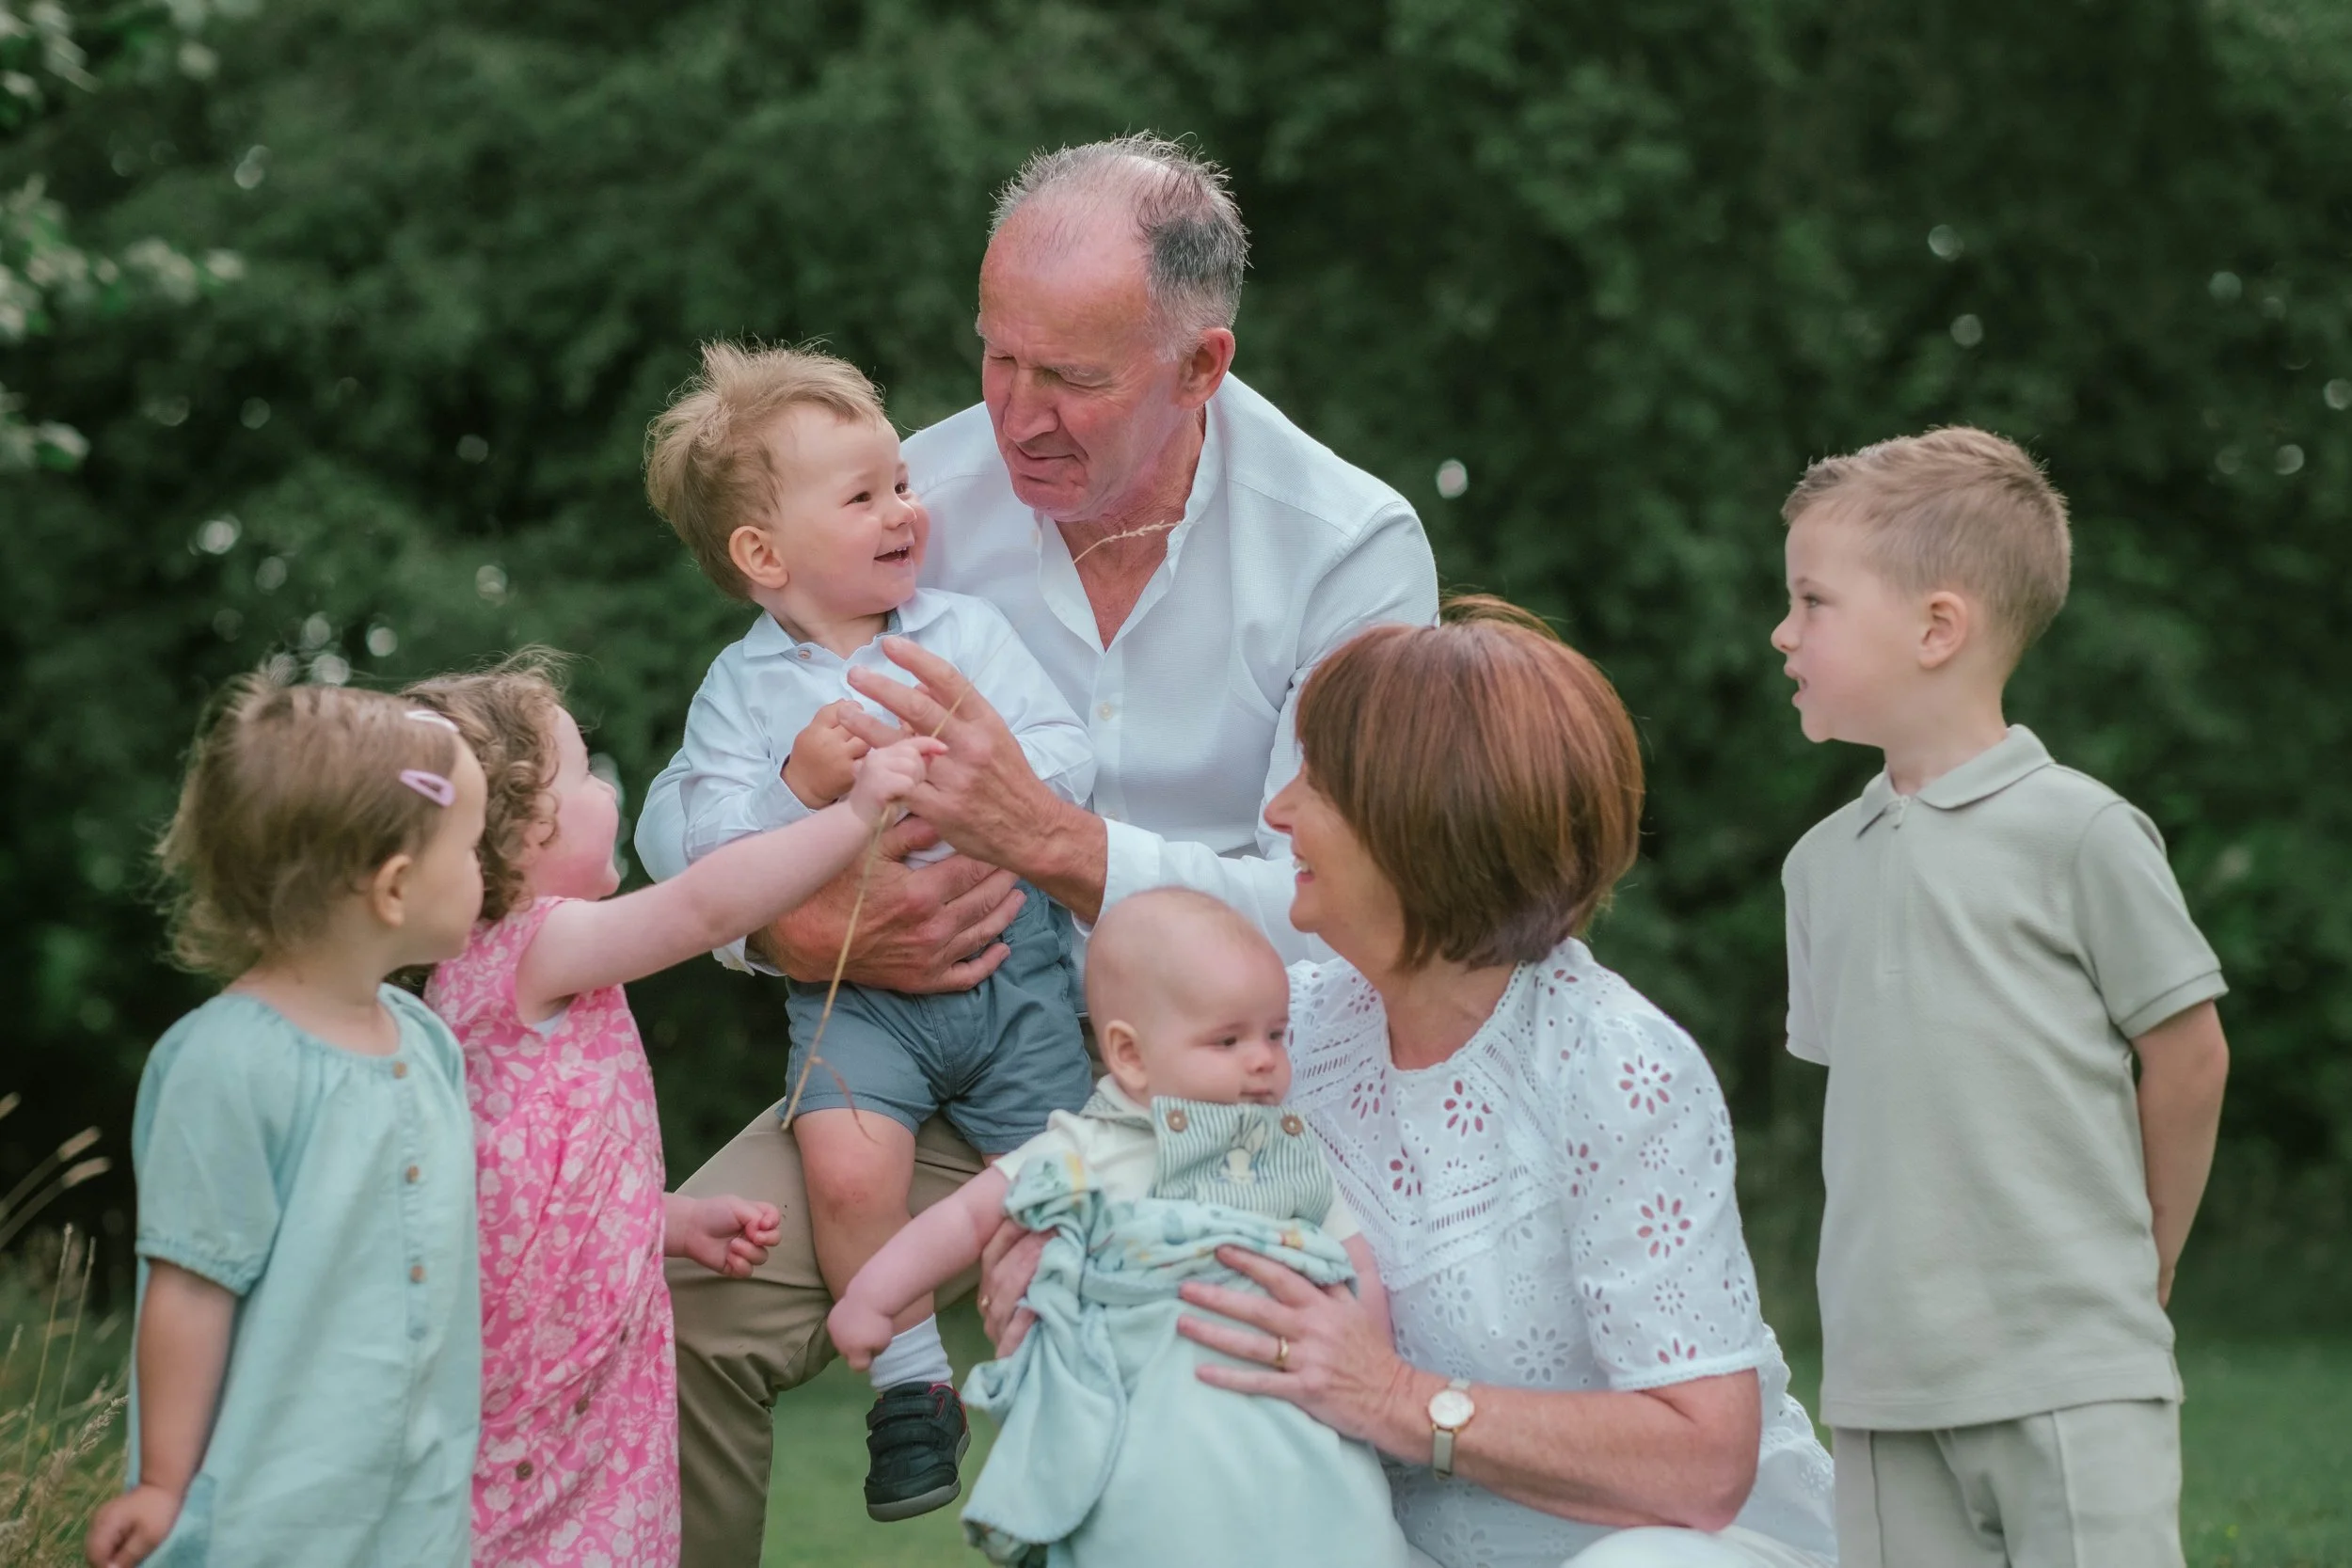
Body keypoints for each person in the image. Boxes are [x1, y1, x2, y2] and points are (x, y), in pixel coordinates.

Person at [631, 134, 1438, 1563]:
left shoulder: (1345, 547)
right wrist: (796, 931)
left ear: (1202, 367)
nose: (1017, 416)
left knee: (1222, 1395)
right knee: (683, 1304)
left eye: (1072, 378)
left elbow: (1355, 908)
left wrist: (1061, 843)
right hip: (921, 1042)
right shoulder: (899, 497)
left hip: (1222, 1103)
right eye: (999, 357)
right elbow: (680, 808)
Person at [982, 599, 1838, 1568]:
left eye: (1318, 782)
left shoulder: (1617, 1067)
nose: (1278, 811)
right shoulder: (1277, 1041)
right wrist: (1047, 1262)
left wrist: (1391, 1396)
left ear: (1420, 821)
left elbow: (1704, 1461)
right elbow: (1113, 1176)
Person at [640, 343, 1097, 1519]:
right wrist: (798, 788)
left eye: (901, 482)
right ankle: (909, 1385)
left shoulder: (962, 634)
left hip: (1014, 980)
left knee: (1050, 1203)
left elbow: (1063, 755)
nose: (906, 510)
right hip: (856, 997)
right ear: (763, 554)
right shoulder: (744, 695)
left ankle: (1062, 1439)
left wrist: (981, 775)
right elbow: (698, 846)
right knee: (846, 1166)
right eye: (866, 496)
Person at [1769, 428, 2231, 1568]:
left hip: (2071, 1364)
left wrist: (2151, 1256)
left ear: (1937, 627)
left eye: (1812, 601)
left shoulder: (2080, 831)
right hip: (1882, 1383)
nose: (1782, 631)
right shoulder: (1817, 865)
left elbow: (2189, 1053)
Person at [405, 653, 938, 1566]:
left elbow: (533, 1191)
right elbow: (700, 908)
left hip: (589, 1387)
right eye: (583, 772)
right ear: (526, 825)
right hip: (563, 1405)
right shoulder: (536, 942)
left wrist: (673, 1221)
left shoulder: (483, 977)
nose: (606, 787)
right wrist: (851, 816)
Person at [828, 887, 1411, 1567]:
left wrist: (1374, 1372)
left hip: (1286, 1422)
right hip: (1149, 1430)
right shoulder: (1086, 1146)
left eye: (1275, 1034)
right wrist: (874, 1296)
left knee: (1331, 1523)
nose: (1263, 1059)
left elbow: (1353, 1261)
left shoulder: (1286, 1150)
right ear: (1129, 1056)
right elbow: (964, 1217)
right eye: (1228, 1039)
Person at [87, 679, 491, 1568]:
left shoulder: (426, 1042)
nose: (483, 874)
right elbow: (192, 1285)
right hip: (270, 1521)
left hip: (412, 1516)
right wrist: (161, 1483)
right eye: (469, 849)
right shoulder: (225, 1063)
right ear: (393, 886)